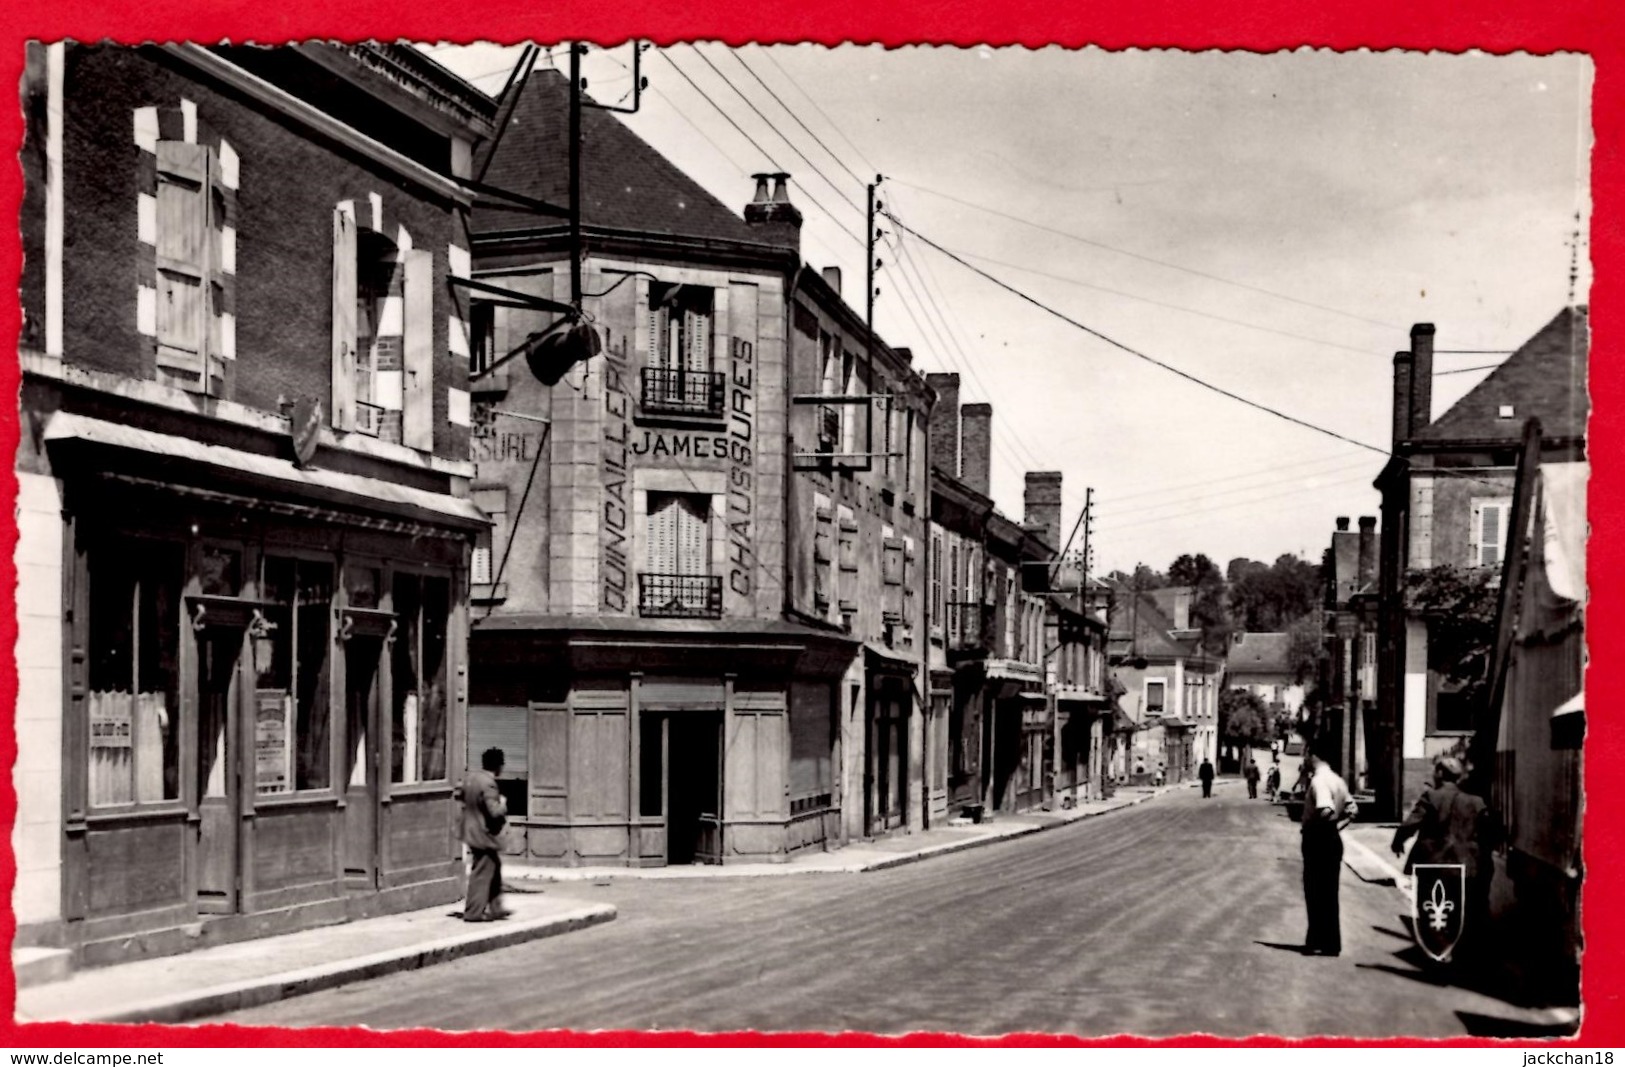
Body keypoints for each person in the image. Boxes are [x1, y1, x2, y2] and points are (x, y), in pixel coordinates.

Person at [1391, 756, 1498, 958]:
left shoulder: (1431, 796)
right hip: (1464, 866)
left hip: (1432, 864)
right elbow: (1490, 832)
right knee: (1459, 909)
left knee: (1429, 908)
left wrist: (1398, 842)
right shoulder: (1475, 802)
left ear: (1440, 773)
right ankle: (1456, 951)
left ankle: (1437, 951)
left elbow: (1410, 824)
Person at [1301, 743, 1359, 956]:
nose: (1305, 757)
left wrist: (1319, 830)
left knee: (1314, 891)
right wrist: (1337, 828)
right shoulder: (1338, 780)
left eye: (1306, 753)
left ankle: (1317, 940)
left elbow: (1325, 809)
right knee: (1329, 892)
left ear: (1314, 755)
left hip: (1318, 840)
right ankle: (1330, 942)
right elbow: (1353, 810)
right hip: (1332, 839)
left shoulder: (1319, 780)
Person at [458, 746, 510, 922]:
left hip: (471, 831)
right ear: (498, 765)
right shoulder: (489, 783)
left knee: (493, 866)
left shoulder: (472, 778)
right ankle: (473, 912)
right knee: (482, 871)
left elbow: (461, 797)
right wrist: (503, 803)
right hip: (483, 834)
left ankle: (496, 907)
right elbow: (494, 812)